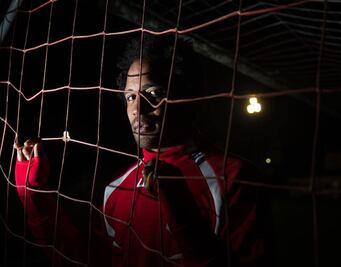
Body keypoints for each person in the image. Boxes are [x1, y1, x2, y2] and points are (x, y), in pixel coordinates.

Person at [14, 33, 266, 267]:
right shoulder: (115, 188)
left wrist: (185, 218)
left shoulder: (232, 178)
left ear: (187, 96)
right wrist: (36, 198)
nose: (137, 109)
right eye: (130, 97)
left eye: (154, 93)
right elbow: (87, 261)